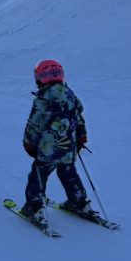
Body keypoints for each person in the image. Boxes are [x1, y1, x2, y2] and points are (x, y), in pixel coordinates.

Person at [19, 59, 96, 228]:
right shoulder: (70, 95)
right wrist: (81, 136)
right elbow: (79, 118)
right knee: (68, 173)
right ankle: (79, 202)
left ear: (40, 78)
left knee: (39, 174)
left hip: (48, 149)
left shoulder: (44, 99)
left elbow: (35, 123)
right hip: (68, 147)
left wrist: (29, 143)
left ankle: (34, 207)